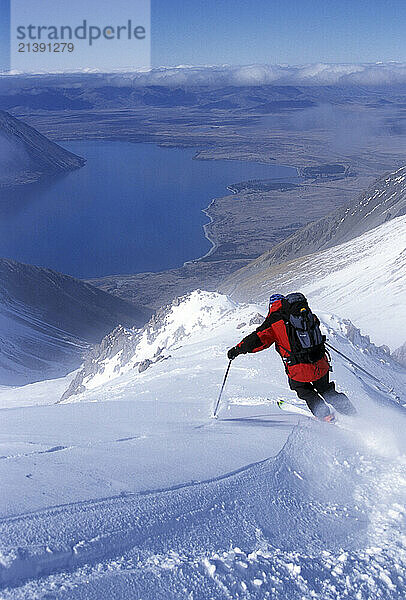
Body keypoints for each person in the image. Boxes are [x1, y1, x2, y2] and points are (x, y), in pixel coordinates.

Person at [227, 292, 356, 421]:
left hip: (298, 368)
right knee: (326, 389)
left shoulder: (274, 321)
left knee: (303, 390)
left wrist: (237, 350)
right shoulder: (306, 314)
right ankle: (351, 412)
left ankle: (326, 415)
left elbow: (256, 340)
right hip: (320, 363)